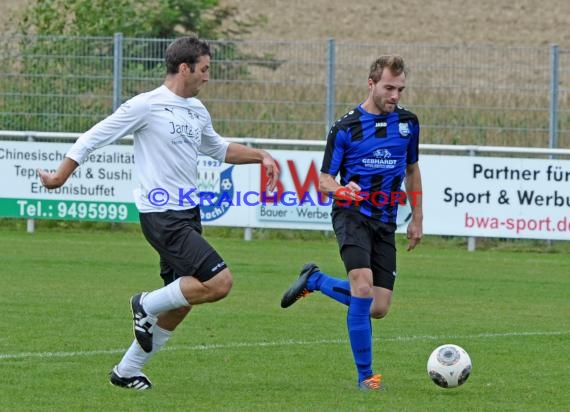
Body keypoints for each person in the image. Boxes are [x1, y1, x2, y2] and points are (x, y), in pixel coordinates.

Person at [38, 36, 279, 391]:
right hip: (161, 214)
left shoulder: (196, 110)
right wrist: (61, 174)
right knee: (219, 282)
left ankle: (127, 370)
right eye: (205, 69)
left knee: (182, 300)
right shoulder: (146, 106)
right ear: (185, 68)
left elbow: (218, 148)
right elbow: (93, 137)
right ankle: (144, 303)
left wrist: (261, 155)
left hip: (188, 212)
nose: (208, 77)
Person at [280, 55, 423, 390]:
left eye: (400, 89)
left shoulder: (408, 124)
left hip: (386, 221)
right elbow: (324, 180)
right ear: (371, 84)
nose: (395, 95)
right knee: (361, 287)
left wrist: (417, 218)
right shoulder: (345, 128)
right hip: (352, 215)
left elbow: (412, 171)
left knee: (378, 307)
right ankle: (366, 378)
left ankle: (315, 280)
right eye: (389, 87)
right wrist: (343, 190)